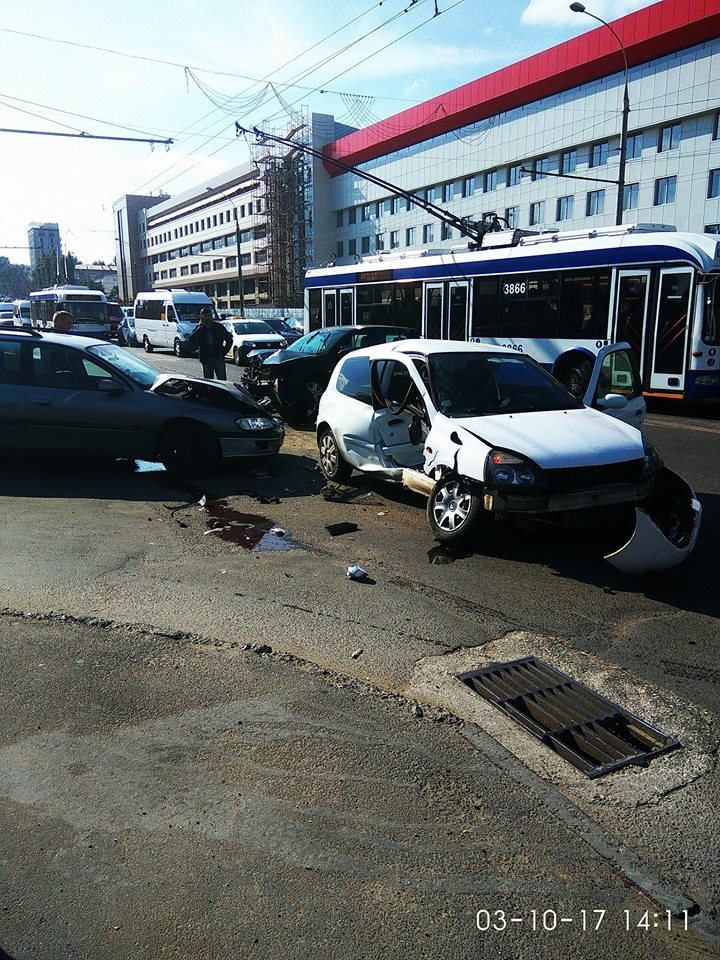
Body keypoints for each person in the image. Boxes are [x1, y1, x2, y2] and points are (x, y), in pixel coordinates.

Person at [186, 307, 233, 380]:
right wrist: (199, 329)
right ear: (202, 318)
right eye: (205, 316)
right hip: (206, 359)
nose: (207, 318)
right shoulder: (200, 329)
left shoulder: (218, 327)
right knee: (209, 382)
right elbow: (191, 340)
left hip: (218, 358)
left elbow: (229, 340)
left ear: (211, 316)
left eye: (208, 315)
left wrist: (223, 352)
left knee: (222, 381)